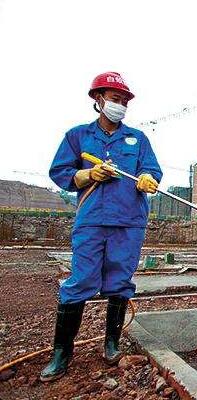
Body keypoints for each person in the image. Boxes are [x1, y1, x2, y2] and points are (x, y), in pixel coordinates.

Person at [41, 72, 162, 382]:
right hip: (92, 218)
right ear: (98, 99)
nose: (119, 105)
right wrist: (86, 176)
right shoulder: (78, 136)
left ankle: (111, 344)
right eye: (114, 99)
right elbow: (61, 172)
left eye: (123, 101)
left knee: (121, 280)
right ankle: (61, 352)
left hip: (128, 220)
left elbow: (151, 169)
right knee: (80, 280)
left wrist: (149, 180)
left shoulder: (137, 139)